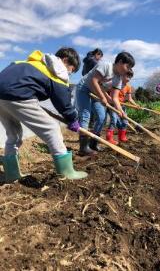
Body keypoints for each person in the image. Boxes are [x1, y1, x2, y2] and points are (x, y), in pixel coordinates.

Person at [0, 47, 88, 182]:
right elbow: (63, 103)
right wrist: (72, 119)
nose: (70, 74)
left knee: (13, 134)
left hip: (2, 95)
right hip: (18, 95)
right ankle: (66, 173)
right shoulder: (57, 69)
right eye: (72, 70)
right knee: (52, 128)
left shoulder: (33, 63)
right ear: (65, 61)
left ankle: (12, 174)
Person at [76, 51, 135, 156]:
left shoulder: (118, 78)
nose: (128, 69)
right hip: (84, 88)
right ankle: (83, 148)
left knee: (101, 117)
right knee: (85, 115)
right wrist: (103, 97)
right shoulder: (106, 66)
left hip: (97, 92)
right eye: (128, 66)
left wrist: (121, 111)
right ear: (120, 62)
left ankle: (93, 143)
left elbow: (115, 97)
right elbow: (94, 81)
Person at [106, 70, 138, 144]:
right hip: (113, 105)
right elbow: (105, 90)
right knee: (114, 120)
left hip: (122, 105)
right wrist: (108, 99)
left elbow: (129, 98)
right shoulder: (115, 83)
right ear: (122, 75)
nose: (128, 79)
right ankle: (109, 137)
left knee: (125, 121)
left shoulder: (128, 86)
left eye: (130, 77)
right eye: (127, 76)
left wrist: (135, 105)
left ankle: (122, 137)